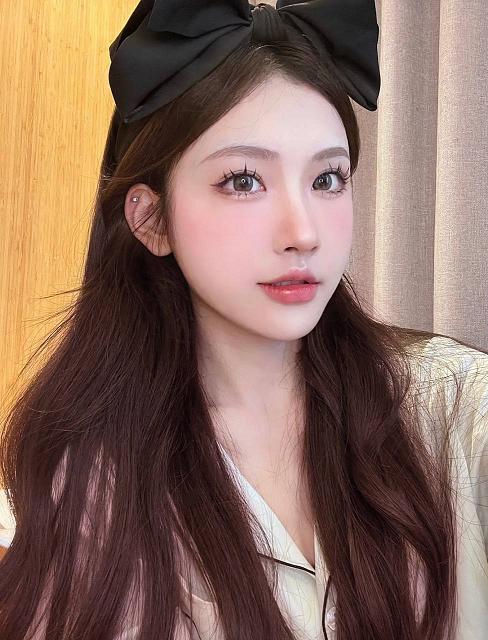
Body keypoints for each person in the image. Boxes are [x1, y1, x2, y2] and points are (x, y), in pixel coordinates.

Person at [0, 1, 487, 639]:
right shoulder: (89, 487)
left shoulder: (450, 407)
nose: (303, 233)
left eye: (328, 178)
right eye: (243, 181)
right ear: (151, 220)